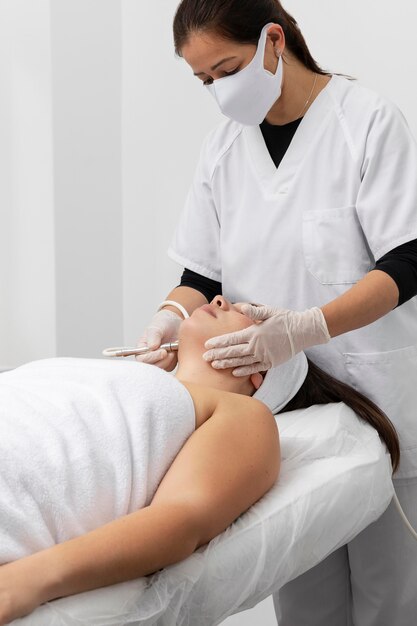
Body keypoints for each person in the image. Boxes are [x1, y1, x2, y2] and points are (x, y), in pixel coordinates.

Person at [135, 2, 417, 625]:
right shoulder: (225, 147)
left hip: (378, 401)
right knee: (305, 602)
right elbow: (198, 276)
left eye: (226, 69)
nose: (217, 92)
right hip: (282, 415)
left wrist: (308, 326)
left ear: (272, 40)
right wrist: (167, 317)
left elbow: (409, 261)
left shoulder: (364, 121)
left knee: (389, 600)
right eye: (204, 81)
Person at [0, 296, 399, 624]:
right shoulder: (120, 378)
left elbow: (180, 520)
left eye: (246, 310)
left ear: (261, 367)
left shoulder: (243, 416)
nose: (218, 298)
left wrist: (25, 582)